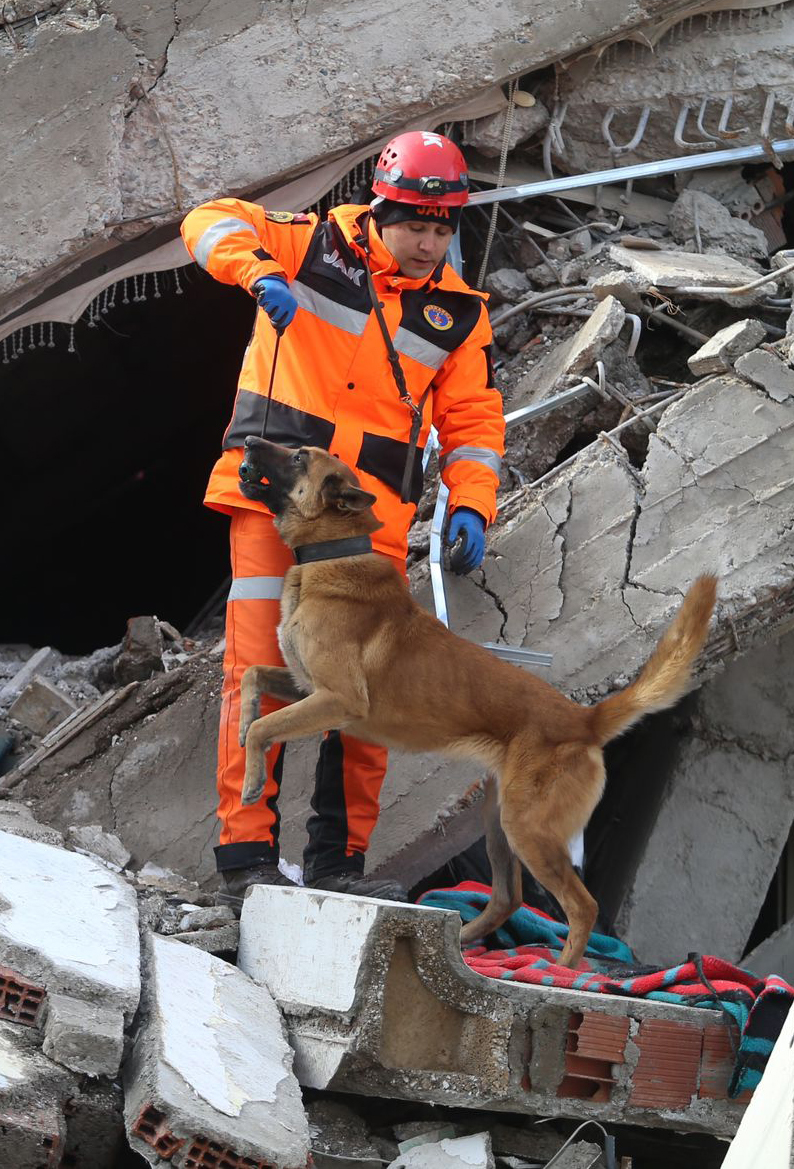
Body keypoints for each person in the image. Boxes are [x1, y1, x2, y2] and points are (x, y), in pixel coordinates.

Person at [180, 130, 506, 902]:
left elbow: (473, 422)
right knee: (258, 673)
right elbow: (207, 220)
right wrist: (255, 272)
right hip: (275, 504)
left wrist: (471, 503)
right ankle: (244, 853)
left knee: (367, 694)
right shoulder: (311, 247)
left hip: (370, 528)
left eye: (441, 228)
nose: (428, 243)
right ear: (382, 209)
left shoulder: (458, 316)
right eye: (415, 225)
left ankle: (339, 865)